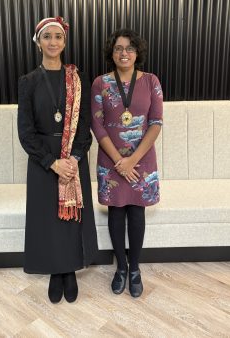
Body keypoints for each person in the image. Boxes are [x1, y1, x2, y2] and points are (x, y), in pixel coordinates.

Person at [18, 16, 98, 304]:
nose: (53, 42)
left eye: (58, 37)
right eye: (47, 36)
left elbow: (85, 125)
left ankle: (70, 270)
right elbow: (25, 133)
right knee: (48, 218)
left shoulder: (78, 80)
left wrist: (73, 158)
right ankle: (55, 270)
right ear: (38, 41)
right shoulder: (27, 82)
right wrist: (52, 162)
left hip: (73, 158)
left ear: (65, 41)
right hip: (43, 160)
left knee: (71, 216)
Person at [91, 28, 163, 298]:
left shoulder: (151, 81)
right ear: (112, 52)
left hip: (141, 161)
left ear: (137, 53)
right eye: (119, 48)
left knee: (136, 212)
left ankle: (135, 269)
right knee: (116, 212)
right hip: (111, 162)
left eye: (129, 48)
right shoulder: (100, 83)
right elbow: (96, 125)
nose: (124, 53)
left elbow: (156, 123)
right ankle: (120, 267)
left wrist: (131, 160)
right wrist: (120, 161)